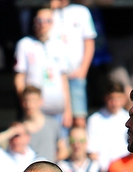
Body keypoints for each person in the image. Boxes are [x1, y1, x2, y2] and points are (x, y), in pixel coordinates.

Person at [14, 7, 72, 129]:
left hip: (57, 110)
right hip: (35, 111)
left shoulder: (59, 45)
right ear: (34, 22)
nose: (43, 24)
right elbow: (19, 77)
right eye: (39, 20)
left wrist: (68, 110)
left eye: (47, 20)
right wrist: (26, 103)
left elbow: (64, 79)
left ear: (53, 23)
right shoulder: (25, 44)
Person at [50, 0, 96, 128]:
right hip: (54, 76)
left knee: (79, 118)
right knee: (60, 118)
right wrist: (51, 9)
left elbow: (89, 42)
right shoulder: (48, 12)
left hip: (75, 73)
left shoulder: (81, 11)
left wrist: (82, 71)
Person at [86, 82, 130, 172]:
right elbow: (92, 150)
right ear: (106, 98)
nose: (114, 103)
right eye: (111, 99)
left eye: (118, 98)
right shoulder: (94, 120)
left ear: (124, 99)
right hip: (103, 171)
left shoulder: (129, 119)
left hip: (125, 171)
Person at [21, 85, 67, 163]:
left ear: (41, 101)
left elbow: (63, 151)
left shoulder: (53, 124)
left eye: (33, 100)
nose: (29, 105)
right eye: (26, 101)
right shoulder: (19, 129)